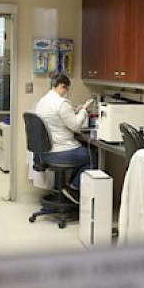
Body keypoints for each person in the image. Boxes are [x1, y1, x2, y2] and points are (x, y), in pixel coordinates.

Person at [35, 74, 93, 204]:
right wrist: (83, 110)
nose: (67, 93)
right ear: (62, 86)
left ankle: (68, 187)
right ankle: (73, 188)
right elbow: (76, 126)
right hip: (60, 151)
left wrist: (73, 111)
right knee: (92, 157)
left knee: (84, 155)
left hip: (45, 152)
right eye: (66, 89)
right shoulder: (61, 103)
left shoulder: (42, 101)